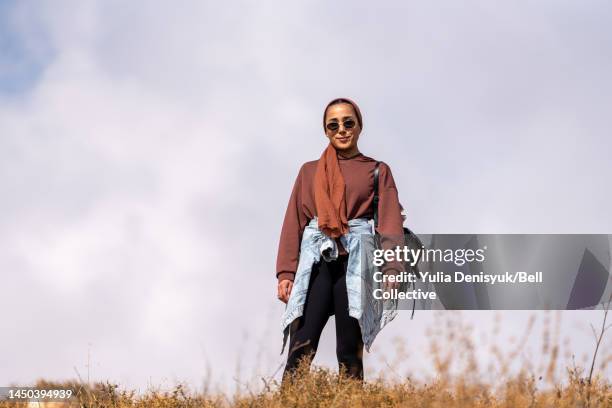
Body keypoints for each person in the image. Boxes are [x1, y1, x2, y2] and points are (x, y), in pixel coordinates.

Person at [276, 97, 405, 385]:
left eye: (348, 123)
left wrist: (392, 268)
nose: (341, 129)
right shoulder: (309, 171)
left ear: (359, 126)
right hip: (317, 264)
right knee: (302, 344)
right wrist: (286, 272)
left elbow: (389, 223)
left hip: (356, 264)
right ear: (325, 131)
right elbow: (293, 221)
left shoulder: (377, 170)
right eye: (333, 125)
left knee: (349, 349)